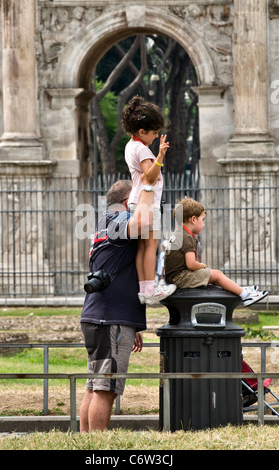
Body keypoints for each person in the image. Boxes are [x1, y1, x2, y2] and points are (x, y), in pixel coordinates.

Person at [80, 176, 157, 432]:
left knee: (95, 385)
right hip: (110, 317)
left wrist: (132, 323)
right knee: (106, 389)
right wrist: (147, 185)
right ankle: (98, 449)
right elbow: (144, 222)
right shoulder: (118, 219)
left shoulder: (102, 224)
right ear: (128, 201)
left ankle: (86, 444)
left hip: (99, 315)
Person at [121, 95, 176, 305]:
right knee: (151, 246)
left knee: (144, 247)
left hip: (137, 202)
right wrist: (160, 156)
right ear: (141, 132)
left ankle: (144, 290)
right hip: (147, 203)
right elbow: (150, 178)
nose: (155, 137)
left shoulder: (130, 146)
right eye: (153, 133)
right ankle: (150, 289)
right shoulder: (142, 149)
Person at [164, 196, 268, 307]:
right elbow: (191, 264)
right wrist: (202, 266)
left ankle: (240, 289)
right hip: (181, 277)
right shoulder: (187, 237)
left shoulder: (177, 234)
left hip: (175, 277)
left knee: (213, 276)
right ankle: (246, 295)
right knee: (217, 274)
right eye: (202, 220)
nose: (203, 224)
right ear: (193, 219)